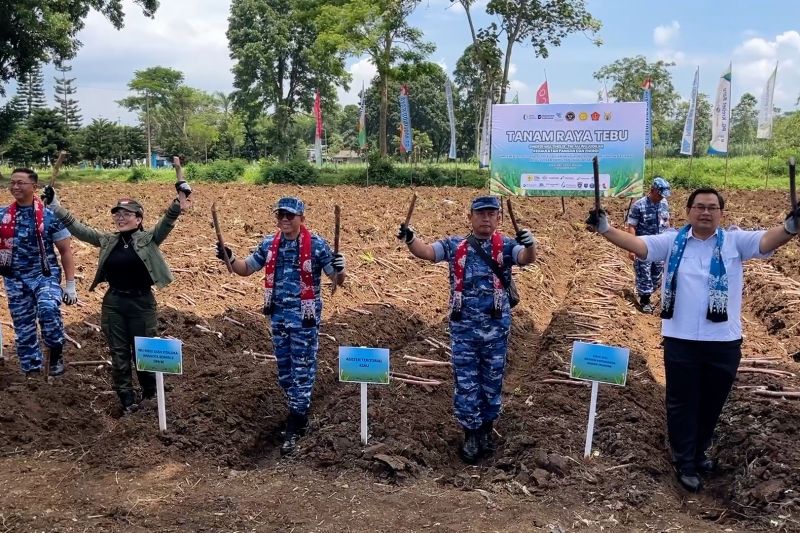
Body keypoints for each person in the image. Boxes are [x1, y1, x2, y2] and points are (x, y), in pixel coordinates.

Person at [586, 187, 799, 492]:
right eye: (699, 206)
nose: (705, 212)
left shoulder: (735, 242)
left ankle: (699, 453)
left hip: (723, 341)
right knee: (682, 402)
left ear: (721, 213)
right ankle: (684, 460)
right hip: (681, 339)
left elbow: (767, 240)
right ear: (688, 211)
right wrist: (605, 228)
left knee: (712, 402)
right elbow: (639, 245)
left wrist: (790, 227)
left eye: (712, 207)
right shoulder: (672, 242)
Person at [42, 158, 192, 412]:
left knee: (143, 350)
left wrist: (180, 198)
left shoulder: (149, 238)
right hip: (114, 302)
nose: (120, 218)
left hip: (141, 302)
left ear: (139, 218)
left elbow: (167, 220)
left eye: (126, 214)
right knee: (119, 352)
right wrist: (56, 206)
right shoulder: (107, 240)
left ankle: (150, 394)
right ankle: (126, 399)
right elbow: (79, 229)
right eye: (117, 214)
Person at [397, 196, 537, 464]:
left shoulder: (508, 246)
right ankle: (470, 433)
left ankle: (486, 429)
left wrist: (531, 245)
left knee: (492, 381)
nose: (486, 218)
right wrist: (411, 238)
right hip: (464, 331)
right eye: (481, 213)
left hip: (496, 331)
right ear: (470, 217)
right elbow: (427, 252)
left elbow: (526, 258)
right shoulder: (454, 245)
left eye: (491, 214)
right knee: (466, 382)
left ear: (499, 218)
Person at [215, 197, 345, 455]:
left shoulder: (316, 245)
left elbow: (336, 279)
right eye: (280, 215)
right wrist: (229, 257)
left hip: (304, 319)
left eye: (289, 215)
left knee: (302, 369)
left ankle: (296, 423)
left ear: (301, 218)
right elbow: (246, 268)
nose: (284, 219)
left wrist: (340, 268)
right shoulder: (269, 244)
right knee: (285, 372)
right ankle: (297, 411)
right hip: (278, 317)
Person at [0, 168, 77, 377]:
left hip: (44, 275)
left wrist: (70, 285)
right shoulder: (3, 215)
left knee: (48, 309)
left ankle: (55, 352)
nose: (15, 186)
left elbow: (65, 251)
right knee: (23, 327)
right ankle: (31, 371)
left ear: (34, 187)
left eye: (21, 183)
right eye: (12, 182)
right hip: (14, 278)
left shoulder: (49, 216)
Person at [625, 176, 671, 313]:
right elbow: (632, 226)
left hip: (661, 245)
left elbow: (666, 222)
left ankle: (649, 293)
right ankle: (644, 300)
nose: (662, 197)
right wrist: (631, 248)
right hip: (643, 246)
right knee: (644, 272)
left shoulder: (664, 203)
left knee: (657, 274)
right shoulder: (639, 206)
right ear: (653, 190)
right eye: (660, 194)